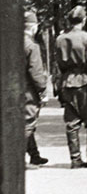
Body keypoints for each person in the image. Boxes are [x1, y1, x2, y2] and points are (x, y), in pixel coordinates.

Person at [55, 5, 87, 168]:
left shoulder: (60, 39)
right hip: (85, 80)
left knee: (71, 123)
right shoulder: (86, 37)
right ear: (83, 21)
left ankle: (75, 159)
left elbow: (59, 63)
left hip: (68, 81)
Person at [23, 11, 48, 167]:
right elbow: (36, 72)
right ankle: (18, 159)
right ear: (34, 27)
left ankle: (34, 154)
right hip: (28, 91)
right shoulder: (32, 46)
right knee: (28, 123)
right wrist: (43, 91)